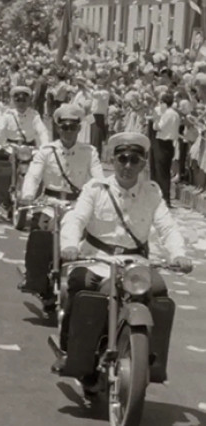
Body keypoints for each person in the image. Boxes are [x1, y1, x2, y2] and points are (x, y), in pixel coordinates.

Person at [56, 133, 193, 382]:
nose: (127, 166)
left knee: (159, 292)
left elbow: (168, 227)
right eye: (122, 159)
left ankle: (151, 359)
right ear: (113, 160)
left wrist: (179, 254)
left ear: (143, 164)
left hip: (135, 264)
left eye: (134, 160)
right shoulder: (96, 189)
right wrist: (70, 245)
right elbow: (76, 219)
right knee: (81, 286)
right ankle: (71, 351)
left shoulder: (152, 193)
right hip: (97, 260)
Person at [18, 104, 104, 305]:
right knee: (39, 235)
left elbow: (98, 179)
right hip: (50, 203)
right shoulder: (47, 151)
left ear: (79, 129)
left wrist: (101, 197)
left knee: (88, 240)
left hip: (77, 204)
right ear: (58, 128)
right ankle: (35, 278)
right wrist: (28, 194)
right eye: (64, 127)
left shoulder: (89, 152)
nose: (68, 132)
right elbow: (33, 175)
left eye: (72, 127)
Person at [152, 91, 180, 207]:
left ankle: (164, 198)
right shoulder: (175, 114)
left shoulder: (167, 114)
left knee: (161, 172)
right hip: (169, 144)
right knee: (165, 172)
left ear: (164, 103)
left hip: (163, 143)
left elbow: (158, 127)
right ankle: (165, 197)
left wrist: (156, 118)